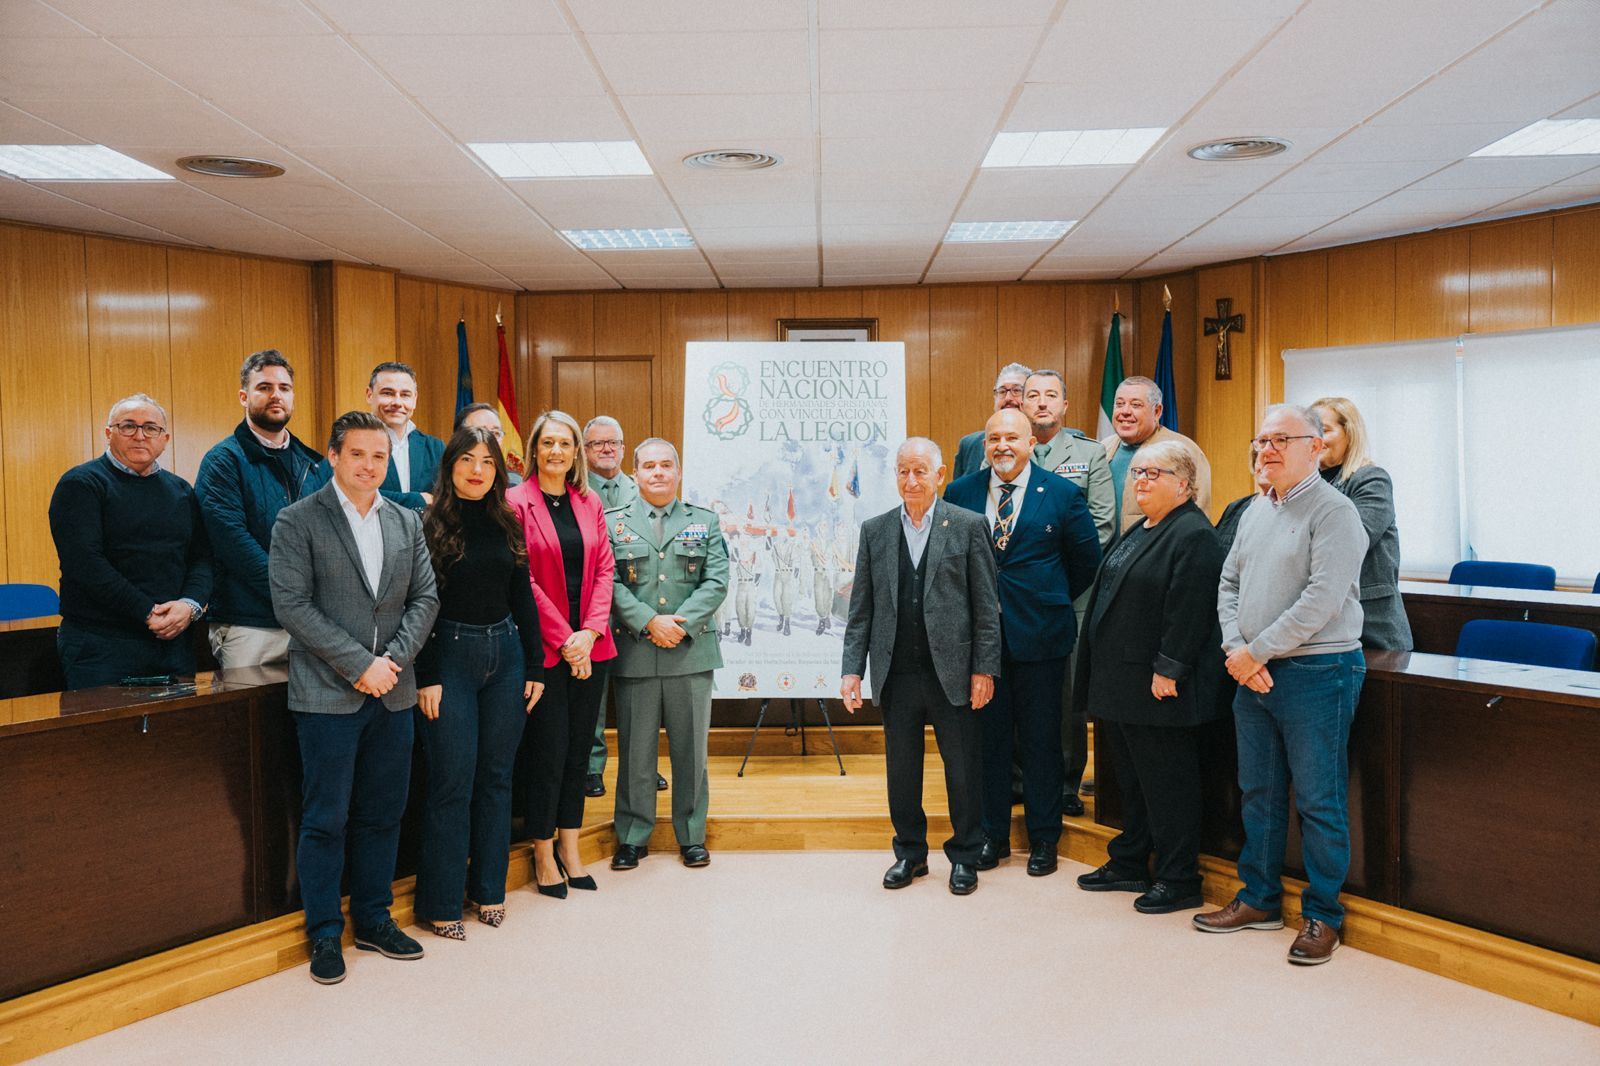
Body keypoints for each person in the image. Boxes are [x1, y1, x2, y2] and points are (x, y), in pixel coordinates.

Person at [268, 410, 440, 985]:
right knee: (326, 819)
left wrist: (390, 663)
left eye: (380, 456)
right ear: (334, 457)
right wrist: (358, 664)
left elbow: (425, 599)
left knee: (383, 814)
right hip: (327, 696)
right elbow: (293, 607)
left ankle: (372, 919)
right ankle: (324, 934)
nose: (370, 465)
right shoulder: (297, 521)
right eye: (359, 454)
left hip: (393, 692)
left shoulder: (406, 521)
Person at [1196, 404, 1367, 967]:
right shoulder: (1255, 510)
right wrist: (1234, 650)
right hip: (1252, 670)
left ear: (1315, 447)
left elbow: (1321, 600)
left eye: (1280, 440)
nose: (1265, 451)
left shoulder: (1335, 511)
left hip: (1318, 672)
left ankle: (1323, 916)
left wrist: (1254, 652)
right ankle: (1260, 899)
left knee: (1320, 800)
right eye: (1260, 440)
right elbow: (1228, 583)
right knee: (1259, 792)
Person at [944, 408, 1101, 877]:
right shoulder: (960, 493)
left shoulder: (1062, 494)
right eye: (993, 438)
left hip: (1042, 638)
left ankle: (1044, 839)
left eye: (1012, 437)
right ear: (984, 445)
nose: (1002, 447)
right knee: (988, 744)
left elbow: (1085, 562)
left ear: (1032, 442)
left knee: (1041, 743)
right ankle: (993, 836)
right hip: (980, 645)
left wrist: (1043, 599)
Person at [1073, 440, 1227, 914]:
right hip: (1122, 684)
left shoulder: (1193, 534)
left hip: (1160, 686)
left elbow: (1190, 610)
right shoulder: (1143, 527)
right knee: (1133, 782)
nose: (1139, 481)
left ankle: (1180, 877)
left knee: (1168, 784)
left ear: (1183, 484)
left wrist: (1170, 668)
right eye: (1137, 473)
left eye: (1152, 474)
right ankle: (1131, 859)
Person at [842, 438, 1000, 895]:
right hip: (897, 673)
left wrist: (984, 669)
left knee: (963, 769)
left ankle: (966, 854)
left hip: (953, 672)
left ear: (940, 475)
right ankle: (910, 854)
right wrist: (852, 670)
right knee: (902, 770)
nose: (910, 481)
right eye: (902, 472)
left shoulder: (968, 526)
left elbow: (987, 607)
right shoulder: (875, 531)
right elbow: (861, 610)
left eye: (919, 472)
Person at [412, 427, 546, 940]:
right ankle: (441, 902)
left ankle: (489, 890)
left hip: (506, 658)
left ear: (499, 471)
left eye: (487, 462)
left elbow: (523, 598)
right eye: (466, 460)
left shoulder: (507, 520)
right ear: (449, 467)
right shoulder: (428, 524)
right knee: (452, 782)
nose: (477, 470)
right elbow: (418, 605)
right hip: (449, 658)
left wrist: (535, 666)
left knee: (496, 780)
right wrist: (426, 675)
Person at [507, 410, 618, 899]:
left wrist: (590, 633)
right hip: (546, 651)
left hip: (592, 650)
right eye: (548, 442)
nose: (556, 451)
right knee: (546, 754)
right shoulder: (514, 501)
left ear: (577, 453)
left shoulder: (588, 501)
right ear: (534, 449)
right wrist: (565, 637)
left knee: (579, 754)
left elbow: (605, 569)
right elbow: (522, 578)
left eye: (565, 444)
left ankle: (571, 847)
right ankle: (544, 851)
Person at [606, 439, 729, 871]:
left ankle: (691, 834)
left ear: (678, 472)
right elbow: (610, 583)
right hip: (636, 650)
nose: (657, 472)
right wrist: (647, 621)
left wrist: (677, 624)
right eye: (648, 466)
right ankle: (633, 835)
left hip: (690, 652)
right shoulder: (613, 523)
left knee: (690, 751)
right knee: (636, 752)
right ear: (635, 473)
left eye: (665, 465)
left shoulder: (705, 521)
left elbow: (716, 582)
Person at [49, 393, 212, 690]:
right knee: (105, 736)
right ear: (109, 433)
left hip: (174, 642)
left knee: (180, 734)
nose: (140, 435)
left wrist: (190, 606)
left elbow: (201, 558)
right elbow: (85, 564)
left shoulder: (181, 491)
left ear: (165, 439)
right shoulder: (81, 485)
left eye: (151, 428)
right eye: (128, 426)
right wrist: (148, 612)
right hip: (101, 645)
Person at [1023, 368, 1116, 815]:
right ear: (1021, 404)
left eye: (1051, 396)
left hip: (1070, 595)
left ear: (1064, 405)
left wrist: (1053, 574)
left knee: (1066, 693)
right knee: (1017, 686)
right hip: (1016, 595)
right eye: (1033, 395)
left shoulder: (1089, 453)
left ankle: (1065, 782)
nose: (1042, 402)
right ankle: (1020, 778)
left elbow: (1102, 524)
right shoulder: (1003, 451)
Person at [196, 350, 324, 669]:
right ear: (244, 396)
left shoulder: (314, 463)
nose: (275, 395)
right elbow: (232, 543)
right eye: (264, 387)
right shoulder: (223, 460)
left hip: (307, 624)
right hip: (249, 624)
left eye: (284, 388)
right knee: (246, 719)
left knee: (304, 718)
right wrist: (292, 595)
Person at [1309, 396, 1413, 652]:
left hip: (1374, 626)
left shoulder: (1370, 479)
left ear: (1350, 433)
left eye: (1325, 430)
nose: (1315, 439)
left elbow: (1353, 539)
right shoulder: (1309, 486)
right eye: (1309, 432)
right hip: (1326, 626)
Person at [581, 414, 639, 798]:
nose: (606, 449)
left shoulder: (641, 489)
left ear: (622, 447)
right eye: (597, 443)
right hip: (592, 608)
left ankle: (640, 767)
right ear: (584, 451)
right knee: (594, 699)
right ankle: (591, 767)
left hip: (634, 608)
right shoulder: (576, 492)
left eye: (612, 443)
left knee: (638, 697)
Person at [311, 362, 443, 511]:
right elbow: (343, 492)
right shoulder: (347, 439)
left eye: (405, 395)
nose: (397, 402)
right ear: (369, 395)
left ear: (415, 399)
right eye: (388, 393)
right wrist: (417, 499)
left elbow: (446, 499)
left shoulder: (436, 447)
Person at [1101, 376, 1212, 533]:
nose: (1125, 411)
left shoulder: (1184, 450)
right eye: (1119, 404)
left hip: (1158, 552)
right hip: (1105, 555)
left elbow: (1198, 516)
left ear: (1157, 411)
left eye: (1136, 405)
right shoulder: (1102, 449)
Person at [951, 362, 1031, 480]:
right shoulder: (970, 444)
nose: (1008, 398)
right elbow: (958, 495)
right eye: (1002, 391)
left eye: (1017, 390)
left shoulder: (1044, 444)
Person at [1214, 446, 1267, 555]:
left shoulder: (1292, 510)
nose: (1263, 465)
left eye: (1271, 461)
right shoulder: (1235, 507)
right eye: (1258, 458)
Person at [454, 402, 522, 486]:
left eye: (496, 433)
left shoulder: (514, 485)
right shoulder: (440, 482)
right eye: (480, 431)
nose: (490, 439)